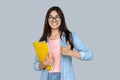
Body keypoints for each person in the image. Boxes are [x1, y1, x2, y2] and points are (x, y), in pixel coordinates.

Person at [33, 6, 94, 80]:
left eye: (57, 17)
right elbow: (35, 65)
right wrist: (44, 64)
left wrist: (70, 52)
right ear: (47, 20)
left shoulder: (70, 36)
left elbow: (90, 55)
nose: (54, 20)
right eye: (51, 17)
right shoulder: (43, 41)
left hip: (64, 77)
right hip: (47, 77)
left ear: (61, 19)